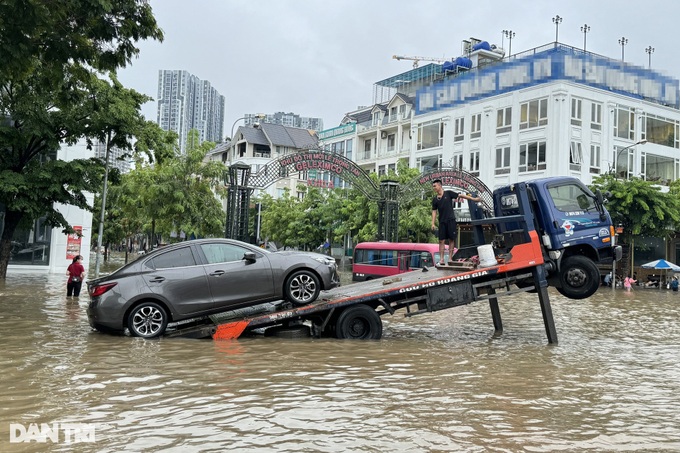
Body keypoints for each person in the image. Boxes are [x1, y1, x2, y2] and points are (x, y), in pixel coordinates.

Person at [431, 179, 481, 265]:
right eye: (433, 187)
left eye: (435, 186)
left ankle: (450, 258)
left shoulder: (448, 193)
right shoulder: (435, 199)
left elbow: (461, 196)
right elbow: (434, 211)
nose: (434, 188)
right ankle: (442, 259)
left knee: (451, 239)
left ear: (439, 185)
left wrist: (473, 199)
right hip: (442, 222)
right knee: (441, 241)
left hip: (451, 220)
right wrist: (432, 223)